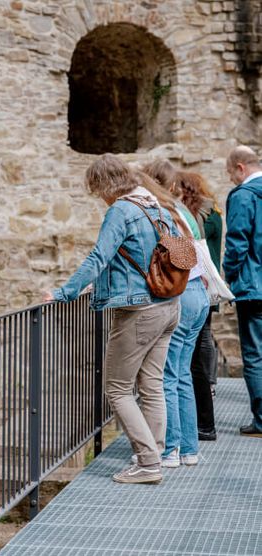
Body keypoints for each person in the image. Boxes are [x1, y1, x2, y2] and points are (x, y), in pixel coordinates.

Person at [43, 154, 180, 484]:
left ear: (103, 185)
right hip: (168, 304)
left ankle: (148, 463)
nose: (99, 198)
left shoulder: (121, 209)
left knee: (117, 389)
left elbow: (99, 256)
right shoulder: (156, 205)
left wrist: (64, 292)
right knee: (151, 385)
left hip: (139, 309)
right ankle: (154, 453)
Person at [142, 161, 210, 467]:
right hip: (199, 293)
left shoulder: (161, 213)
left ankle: (169, 449)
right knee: (182, 374)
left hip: (179, 295)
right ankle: (189, 448)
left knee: (167, 376)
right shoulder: (187, 214)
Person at [177, 170, 223, 442]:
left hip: (200, 285)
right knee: (200, 348)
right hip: (205, 286)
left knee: (196, 355)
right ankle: (203, 421)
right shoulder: (212, 211)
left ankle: (204, 423)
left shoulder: (202, 216)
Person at [223, 145, 262, 437]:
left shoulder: (244, 197)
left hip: (254, 286)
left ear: (240, 167)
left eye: (231, 174)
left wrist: (227, 278)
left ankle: (261, 420)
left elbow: (237, 242)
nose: (232, 181)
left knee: (255, 354)